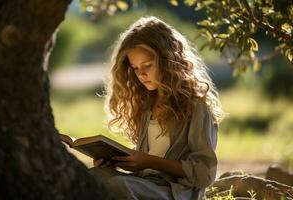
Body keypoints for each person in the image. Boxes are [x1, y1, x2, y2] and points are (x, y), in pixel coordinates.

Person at [89, 16, 224, 200]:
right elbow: (145, 168)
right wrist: (116, 163)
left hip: (175, 191)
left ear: (168, 60)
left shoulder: (196, 107)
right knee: (93, 176)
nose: (141, 74)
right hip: (145, 184)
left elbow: (205, 174)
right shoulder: (146, 105)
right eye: (135, 68)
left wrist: (148, 161)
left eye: (147, 65)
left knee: (118, 185)